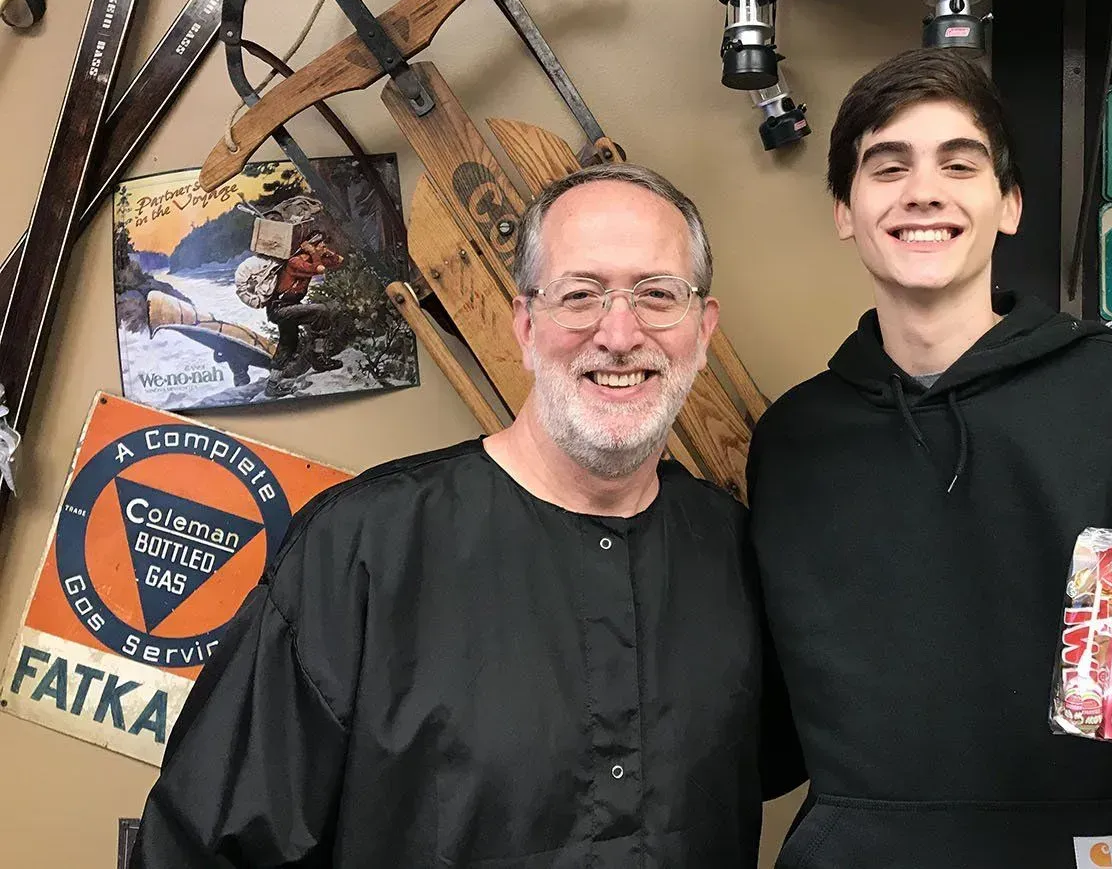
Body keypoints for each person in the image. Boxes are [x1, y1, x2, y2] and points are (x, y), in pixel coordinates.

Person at [747, 48, 1112, 868]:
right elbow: (767, 730)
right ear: (844, 207)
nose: (923, 192)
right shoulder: (793, 439)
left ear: (1009, 203)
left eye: (959, 163)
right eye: (887, 165)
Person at [131, 163, 781, 867]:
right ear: (526, 326)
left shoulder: (743, 555)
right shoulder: (359, 552)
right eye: (580, 293)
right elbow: (198, 850)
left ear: (702, 327)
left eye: (657, 294)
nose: (619, 332)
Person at [262, 230, 345, 396]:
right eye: (322, 244)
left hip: (290, 307)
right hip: (281, 309)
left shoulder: (312, 259)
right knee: (321, 311)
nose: (324, 247)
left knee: (288, 344)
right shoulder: (294, 262)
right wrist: (314, 252)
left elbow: (338, 261)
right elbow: (319, 269)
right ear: (310, 247)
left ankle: (272, 385)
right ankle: (317, 357)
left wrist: (323, 252)